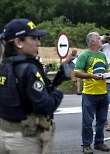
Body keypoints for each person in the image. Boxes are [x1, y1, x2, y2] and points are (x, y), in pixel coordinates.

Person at [0, 18, 63, 154]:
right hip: (24, 139)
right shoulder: (29, 69)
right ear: (18, 42)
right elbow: (45, 106)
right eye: (34, 38)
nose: (38, 43)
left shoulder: (4, 66)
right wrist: (58, 94)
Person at [74, 32, 110, 154]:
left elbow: (107, 69)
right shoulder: (84, 55)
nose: (102, 39)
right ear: (93, 42)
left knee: (102, 120)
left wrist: (107, 75)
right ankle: (86, 145)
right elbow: (77, 73)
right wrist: (92, 76)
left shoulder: (102, 55)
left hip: (103, 92)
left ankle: (99, 142)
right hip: (90, 93)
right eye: (99, 38)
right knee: (87, 121)